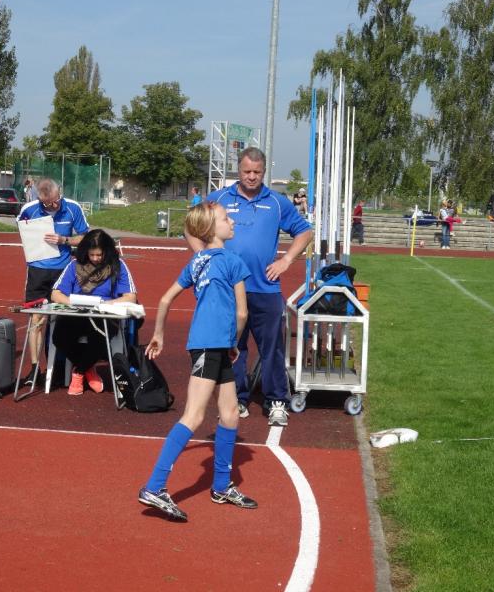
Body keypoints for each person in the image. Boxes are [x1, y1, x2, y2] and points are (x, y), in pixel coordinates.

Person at [137, 202, 255, 521]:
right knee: (194, 415)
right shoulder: (232, 261)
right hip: (211, 345)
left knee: (230, 414)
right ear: (211, 229)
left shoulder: (197, 261)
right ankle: (155, 485)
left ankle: (221, 485)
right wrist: (235, 342)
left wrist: (159, 334)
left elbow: (165, 299)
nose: (232, 222)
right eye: (226, 219)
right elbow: (242, 313)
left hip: (211, 345)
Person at [207, 147, 312, 425]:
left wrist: (286, 260)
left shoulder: (277, 202)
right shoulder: (219, 199)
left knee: (272, 348)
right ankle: (237, 399)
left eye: (257, 172)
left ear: (264, 172)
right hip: (229, 290)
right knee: (233, 347)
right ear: (238, 170)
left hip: (265, 288)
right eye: (247, 171)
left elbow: (304, 232)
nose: (252, 176)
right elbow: (191, 226)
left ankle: (277, 400)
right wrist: (203, 257)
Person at [16, 178, 89, 386]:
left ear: (60, 193)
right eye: (47, 203)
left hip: (63, 271)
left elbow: (85, 236)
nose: (53, 205)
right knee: (37, 319)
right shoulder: (29, 209)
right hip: (38, 270)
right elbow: (21, 229)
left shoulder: (73, 208)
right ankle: (34, 369)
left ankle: (62, 365)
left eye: (56, 201)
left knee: (65, 318)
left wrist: (65, 240)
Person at [50, 229, 137, 395]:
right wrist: (72, 302)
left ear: (107, 252)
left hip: (104, 315)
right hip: (77, 313)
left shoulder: (118, 266)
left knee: (99, 335)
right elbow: (55, 294)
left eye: (99, 255)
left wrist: (105, 304)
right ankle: (88, 369)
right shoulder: (74, 265)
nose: (96, 258)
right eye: (92, 255)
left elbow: (130, 297)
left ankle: (78, 372)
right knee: (59, 336)